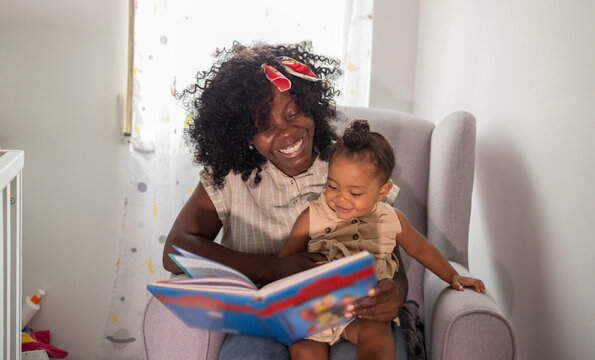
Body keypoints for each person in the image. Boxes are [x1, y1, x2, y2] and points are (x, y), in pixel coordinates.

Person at [163, 40, 410, 360]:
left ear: (311, 107)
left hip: (353, 318)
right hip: (267, 325)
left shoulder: (351, 164)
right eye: (264, 126)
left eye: (294, 112)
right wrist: (273, 268)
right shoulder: (229, 178)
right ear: (244, 136)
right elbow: (175, 250)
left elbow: (393, 259)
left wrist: (397, 293)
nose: (287, 133)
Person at [277, 119, 486, 360]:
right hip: (315, 307)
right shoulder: (313, 215)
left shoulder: (391, 219)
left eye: (355, 192)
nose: (341, 199)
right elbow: (283, 263)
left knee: (376, 333)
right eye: (333, 186)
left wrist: (453, 276)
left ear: (382, 192)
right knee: (304, 348)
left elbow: (422, 249)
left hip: (364, 309)